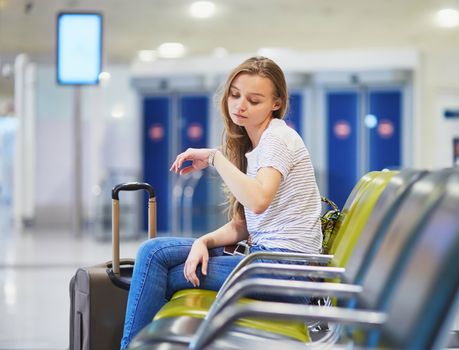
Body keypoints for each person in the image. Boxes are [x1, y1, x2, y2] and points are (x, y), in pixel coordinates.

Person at [120, 56, 322, 349]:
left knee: (162, 268)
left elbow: (258, 201)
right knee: (153, 252)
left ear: (276, 103)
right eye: (235, 94)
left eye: (254, 100)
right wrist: (203, 241)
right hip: (267, 262)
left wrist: (216, 158)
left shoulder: (278, 139)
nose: (240, 105)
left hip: (285, 273)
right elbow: (244, 224)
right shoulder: (258, 144)